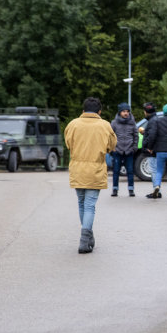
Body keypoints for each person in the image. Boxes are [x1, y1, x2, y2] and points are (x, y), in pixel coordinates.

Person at [64, 97, 117, 253]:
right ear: (99, 111)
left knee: (81, 203)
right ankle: (85, 239)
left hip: (78, 169)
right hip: (95, 170)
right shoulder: (105, 125)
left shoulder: (72, 124)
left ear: (83, 110)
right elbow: (112, 145)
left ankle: (87, 237)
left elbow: (68, 144)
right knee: (90, 206)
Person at [110, 102, 137, 197]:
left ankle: (131, 189)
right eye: (124, 111)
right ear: (119, 112)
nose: (126, 113)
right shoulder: (114, 123)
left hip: (129, 151)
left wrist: (134, 148)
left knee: (130, 171)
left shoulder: (132, 122)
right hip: (117, 150)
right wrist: (112, 148)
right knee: (116, 171)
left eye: (127, 111)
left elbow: (135, 136)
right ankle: (115, 189)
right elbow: (110, 136)